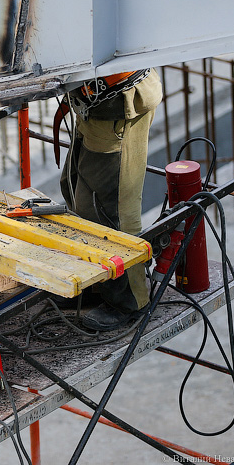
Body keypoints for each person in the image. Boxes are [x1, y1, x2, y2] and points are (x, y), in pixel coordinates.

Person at [60, 68, 162, 331]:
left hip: (116, 101)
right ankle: (96, 282)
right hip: (92, 101)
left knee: (112, 209)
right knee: (75, 191)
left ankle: (129, 300)